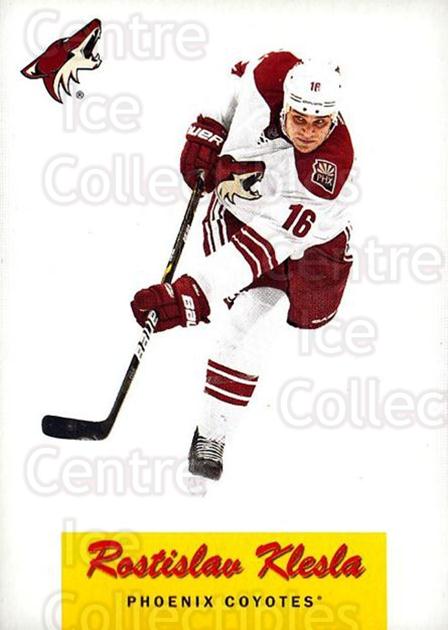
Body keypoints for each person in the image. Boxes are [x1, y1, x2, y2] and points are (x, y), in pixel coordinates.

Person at [131, 51, 355, 481]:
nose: (308, 132)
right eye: (300, 119)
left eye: (320, 123)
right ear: (285, 105)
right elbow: (237, 84)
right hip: (239, 215)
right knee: (252, 323)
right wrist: (210, 128)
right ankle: (212, 434)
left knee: (267, 316)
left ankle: (213, 427)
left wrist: (192, 293)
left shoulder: (327, 176)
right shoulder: (271, 72)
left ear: (334, 119)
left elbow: (259, 250)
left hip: (307, 250)